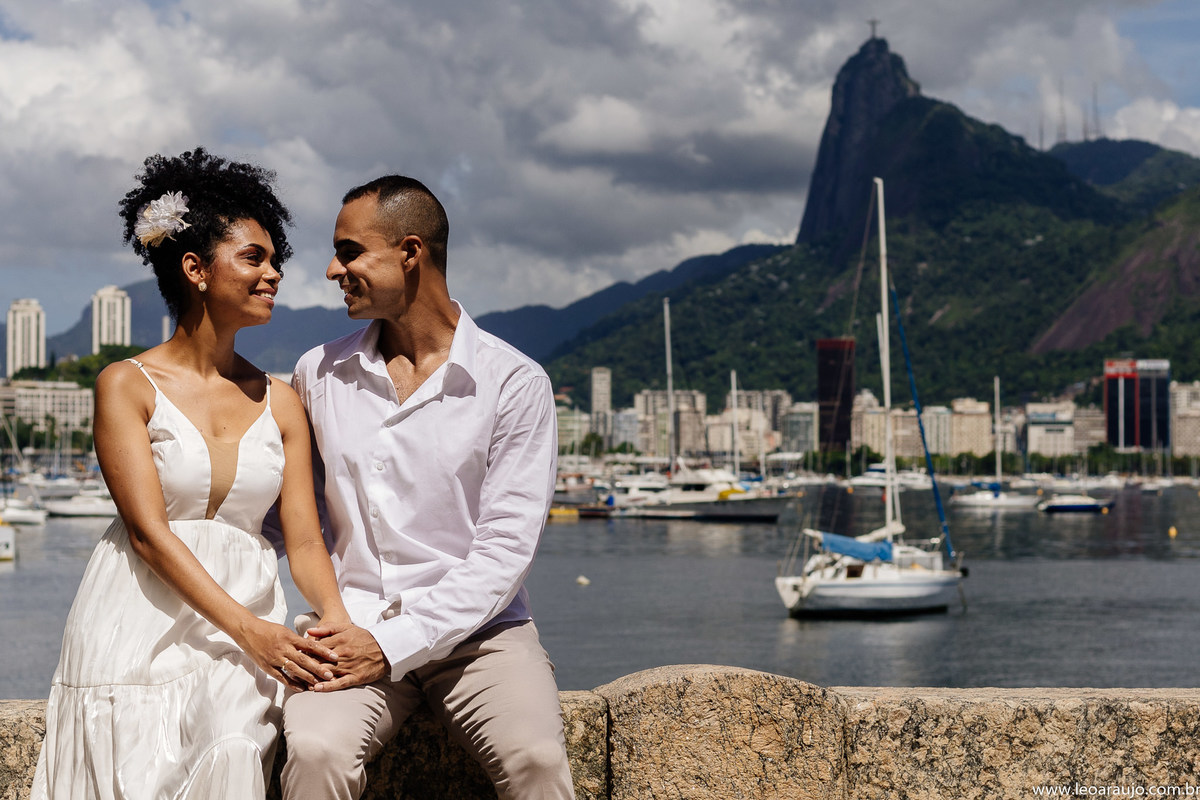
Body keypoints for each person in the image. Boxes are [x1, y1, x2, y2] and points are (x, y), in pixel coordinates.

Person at [32, 148, 351, 800]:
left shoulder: (282, 400)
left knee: (234, 743)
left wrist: (336, 618)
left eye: (274, 259)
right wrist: (250, 630)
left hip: (242, 637)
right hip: (135, 621)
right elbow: (148, 534)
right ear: (195, 269)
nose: (275, 275)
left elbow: (306, 539)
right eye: (254, 258)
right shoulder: (127, 385)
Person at [277, 176, 575, 800]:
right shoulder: (318, 372)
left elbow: (503, 552)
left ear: (410, 252)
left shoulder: (514, 383)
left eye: (350, 250)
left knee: (538, 759)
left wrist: (388, 647)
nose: (333, 269)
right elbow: (289, 516)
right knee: (313, 750)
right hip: (346, 623)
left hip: (481, 636)